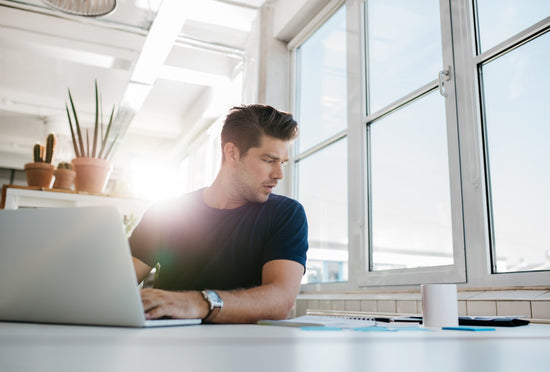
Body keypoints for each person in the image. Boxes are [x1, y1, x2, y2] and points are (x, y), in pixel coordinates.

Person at [129, 104, 308, 324]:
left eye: (282, 163)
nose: (279, 174)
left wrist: (198, 303)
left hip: (242, 351)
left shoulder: (286, 215)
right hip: (164, 344)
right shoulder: (165, 213)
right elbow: (116, 284)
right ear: (232, 153)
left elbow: (280, 301)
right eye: (269, 160)